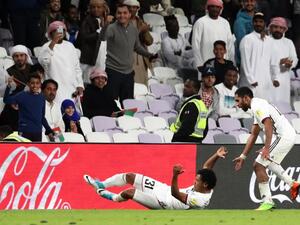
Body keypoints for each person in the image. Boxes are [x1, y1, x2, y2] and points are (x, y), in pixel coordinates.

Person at [84, 146, 228, 209]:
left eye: (197, 181)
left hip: (165, 203)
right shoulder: (206, 186)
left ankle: (112, 197)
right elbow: (207, 167)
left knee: (130, 192)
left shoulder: (200, 200)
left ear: (204, 184)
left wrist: (175, 175)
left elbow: (175, 194)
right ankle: (101, 184)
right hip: (163, 189)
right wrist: (216, 155)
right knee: (130, 176)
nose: (194, 181)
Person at [233, 87, 300, 210]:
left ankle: (267, 201)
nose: (236, 104)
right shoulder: (257, 106)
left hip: (283, 136)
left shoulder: (257, 106)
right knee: (269, 163)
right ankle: (293, 184)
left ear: (246, 98)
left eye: (238, 101)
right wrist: (243, 156)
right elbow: (253, 135)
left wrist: (267, 148)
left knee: (258, 165)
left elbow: (268, 125)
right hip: (284, 135)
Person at [104, 4, 157, 106]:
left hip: (128, 73)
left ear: (129, 14)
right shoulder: (111, 28)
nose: (122, 15)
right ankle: (113, 122)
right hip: (113, 71)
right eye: (119, 13)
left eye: (125, 13)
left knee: (128, 104)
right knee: (111, 103)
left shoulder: (133, 29)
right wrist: (105, 25)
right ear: (115, 14)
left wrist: (149, 55)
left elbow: (137, 47)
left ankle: (128, 122)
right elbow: (102, 39)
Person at [38, 20, 84, 105]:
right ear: (51, 33)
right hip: (55, 87)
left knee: (71, 112)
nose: (60, 32)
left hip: (72, 86)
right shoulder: (46, 46)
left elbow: (77, 67)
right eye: (56, 30)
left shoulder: (70, 46)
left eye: (62, 30)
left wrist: (80, 84)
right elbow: (44, 62)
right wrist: (53, 43)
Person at [3, 73, 54, 142]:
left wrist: (48, 130)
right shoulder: (21, 95)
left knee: (36, 152)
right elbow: (6, 100)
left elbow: (42, 117)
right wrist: (9, 86)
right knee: (24, 153)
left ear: (40, 84)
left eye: (37, 83)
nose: (35, 85)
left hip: (37, 132)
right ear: (28, 84)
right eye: (32, 83)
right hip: (24, 131)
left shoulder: (42, 97)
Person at [239, 12, 277, 102]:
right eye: (256, 21)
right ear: (253, 23)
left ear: (265, 24)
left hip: (265, 82)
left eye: (261, 21)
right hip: (251, 83)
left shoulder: (270, 41)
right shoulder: (247, 39)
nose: (258, 24)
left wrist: (274, 78)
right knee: (248, 108)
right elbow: (245, 62)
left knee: (264, 108)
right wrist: (251, 79)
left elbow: (273, 62)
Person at [192, 0, 234, 72]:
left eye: (217, 7)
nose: (215, 9)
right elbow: (195, 45)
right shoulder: (200, 22)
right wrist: (199, 63)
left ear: (221, 9)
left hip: (223, 64)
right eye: (212, 6)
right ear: (207, 8)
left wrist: (230, 61)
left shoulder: (225, 23)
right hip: (205, 64)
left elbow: (230, 44)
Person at [76, 0, 111, 83]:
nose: (96, 9)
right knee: (88, 82)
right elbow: (85, 37)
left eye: (99, 7)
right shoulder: (87, 21)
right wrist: (100, 31)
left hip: (102, 57)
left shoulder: (104, 20)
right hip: (89, 59)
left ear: (103, 8)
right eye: (93, 7)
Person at [0, 45, 33, 130]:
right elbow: (2, 93)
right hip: (13, 106)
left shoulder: (33, 70)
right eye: (16, 56)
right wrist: (8, 86)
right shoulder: (8, 72)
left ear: (26, 56)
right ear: (13, 58)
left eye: (21, 55)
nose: (19, 58)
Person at [124, 0, 154, 86]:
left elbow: (150, 41)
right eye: (130, 7)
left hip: (141, 59)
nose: (132, 9)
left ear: (138, 9)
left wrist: (145, 32)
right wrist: (141, 31)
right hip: (127, 57)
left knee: (142, 85)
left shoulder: (140, 21)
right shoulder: (121, 22)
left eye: (134, 7)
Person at [269, 17, 298, 104]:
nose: (278, 30)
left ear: (285, 29)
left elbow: (294, 58)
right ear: (270, 28)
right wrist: (279, 62)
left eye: (281, 28)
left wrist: (290, 64)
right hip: (269, 79)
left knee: (283, 105)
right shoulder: (266, 41)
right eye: (275, 27)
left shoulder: (288, 42)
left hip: (284, 78)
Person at [233, 0, 256, 66]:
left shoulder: (259, 17)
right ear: (242, 3)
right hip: (245, 60)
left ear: (255, 2)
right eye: (246, 1)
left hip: (258, 58)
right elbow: (242, 43)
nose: (249, 3)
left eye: (251, 1)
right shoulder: (239, 21)